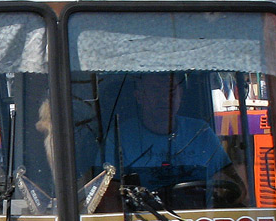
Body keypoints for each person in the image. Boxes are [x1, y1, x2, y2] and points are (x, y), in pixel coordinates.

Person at [103, 72, 245, 207]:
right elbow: (107, 197)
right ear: (139, 96)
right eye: (156, 91)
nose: (165, 98)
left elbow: (235, 186)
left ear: (180, 95)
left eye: (171, 91)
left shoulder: (201, 132)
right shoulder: (119, 138)